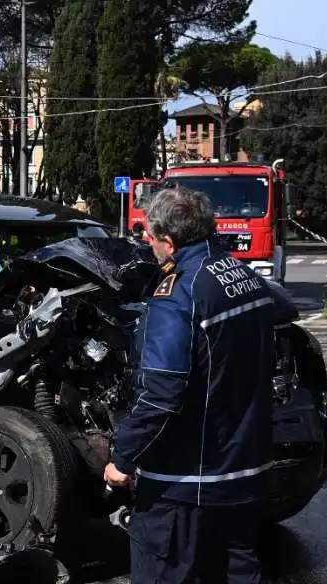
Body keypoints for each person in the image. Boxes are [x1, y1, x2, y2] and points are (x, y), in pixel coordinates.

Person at [103, 187, 276, 584]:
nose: (146, 241)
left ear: (170, 240)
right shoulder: (245, 276)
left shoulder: (178, 294)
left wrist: (122, 459)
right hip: (245, 473)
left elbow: (161, 397)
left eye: (149, 235)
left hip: (185, 485)